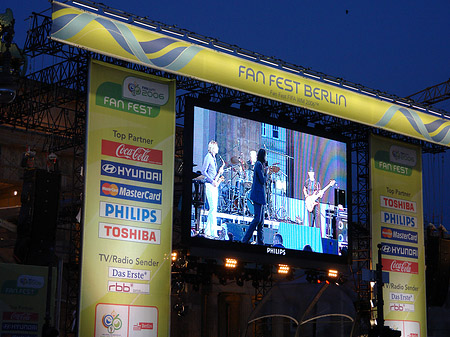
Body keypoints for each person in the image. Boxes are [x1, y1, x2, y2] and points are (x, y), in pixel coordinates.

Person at [242, 149, 268, 245]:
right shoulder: (258, 164)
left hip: (260, 195)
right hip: (258, 195)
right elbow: (262, 180)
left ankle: (260, 242)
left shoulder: (260, 165)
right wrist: (267, 174)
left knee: (261, 221)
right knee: (257, 219)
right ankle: (245, 239)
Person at [201, 140, 224, 238]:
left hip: (213, 185)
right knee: (213, 208)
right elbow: (203, 171)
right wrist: (212, 181)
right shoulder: (208, 157)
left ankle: (208, 231)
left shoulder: (214, 158)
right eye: (217, 147)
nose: (218, 149)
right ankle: (213, 232)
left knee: (213, 209)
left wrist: (219, 175)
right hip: (210, 185)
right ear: (213, 148)